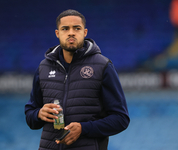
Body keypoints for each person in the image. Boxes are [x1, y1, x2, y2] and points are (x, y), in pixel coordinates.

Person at [25, 9, 130, 150]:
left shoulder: (103, 66)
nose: (71, 33)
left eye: (76, 28)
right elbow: (30, 116)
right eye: (65, 28)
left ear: (85, 32)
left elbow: (121, 119)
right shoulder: (43, 67)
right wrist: (38, 114)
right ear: (57, 33)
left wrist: (83, 128)